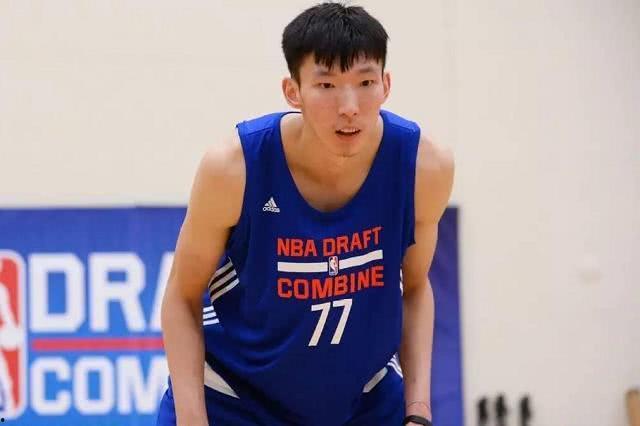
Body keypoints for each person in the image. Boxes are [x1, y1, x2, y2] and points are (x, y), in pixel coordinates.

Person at [158, 2, 454, 425]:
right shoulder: (234, 168)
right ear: (292, 91)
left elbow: (416, 288)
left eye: (365, 82)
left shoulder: (425, 166)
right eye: (327, 85)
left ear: (386, 85)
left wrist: (418, 412)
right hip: (234, 398)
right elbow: (181, 297)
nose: (349, 105)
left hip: (361, 401)